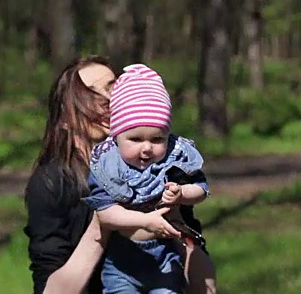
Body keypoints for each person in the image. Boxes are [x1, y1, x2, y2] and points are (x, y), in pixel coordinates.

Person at [24, 56, 217, 294]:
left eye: (113, 87)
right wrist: (101, 224)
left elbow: (205, 287)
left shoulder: (160, 165)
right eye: (91, 94)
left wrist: (177, 223)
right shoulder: (52, 183)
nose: (108, 100)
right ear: (65, 119)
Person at [84, 64, 210, 293]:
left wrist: (182, 193)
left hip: (166, 263)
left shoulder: (174, 158)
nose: (146, 149)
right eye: (135, 139)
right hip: (122, 266)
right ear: (116, 136)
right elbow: (105, 213)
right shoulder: (108, 165)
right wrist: (145, 221)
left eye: (156, 139)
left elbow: (201, 189)